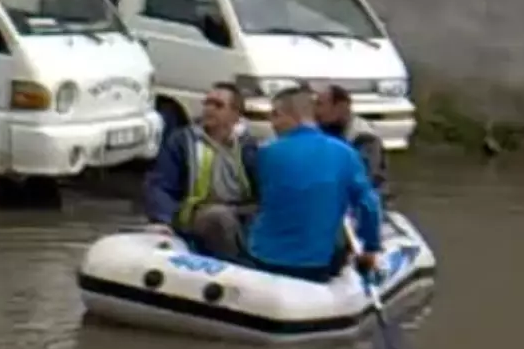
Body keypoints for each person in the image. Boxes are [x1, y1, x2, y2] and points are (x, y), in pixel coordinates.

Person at [248, 87, 382, 283]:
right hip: (316, 264)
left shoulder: (266, 153)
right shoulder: (345, 153)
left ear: (291, 115)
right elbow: (369, 204)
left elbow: (262, 197)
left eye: (275, 115)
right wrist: (370, 248)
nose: (272, 124)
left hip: (264, 258)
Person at [143, 82, 258, 260]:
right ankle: (234, 266)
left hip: (240, 212)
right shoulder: (182, 141)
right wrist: (162, 220)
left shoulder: (247, 146)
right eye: (207, 103)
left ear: (235, 115)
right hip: (199, 213)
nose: (209, 109)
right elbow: (161, 183)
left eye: (218, 106)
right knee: (218, 217)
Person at [314, 84, 388, 198]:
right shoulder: (323, 128)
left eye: (320, 104)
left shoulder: (364, 137)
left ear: (341, 107)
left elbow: (367, 181)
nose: (316, 111)